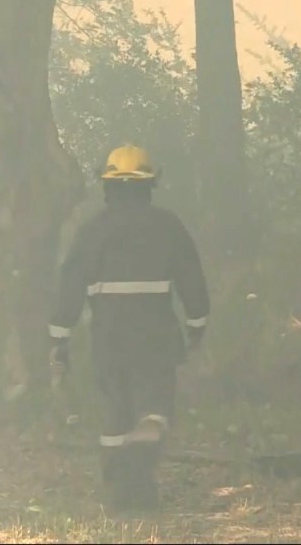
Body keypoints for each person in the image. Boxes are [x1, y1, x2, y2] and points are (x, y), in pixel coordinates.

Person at [47, 143, 210, 513]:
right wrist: (197, 324)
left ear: (108, 185)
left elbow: (69, 284)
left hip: (109, 339)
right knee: (154, 405)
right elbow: (192, 279)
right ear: (149, 185)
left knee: (116, 412)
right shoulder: (168, 226)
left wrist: (60, 338)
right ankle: (149, 433)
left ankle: (120, 489)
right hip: (156, 336)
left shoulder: (92, 231)